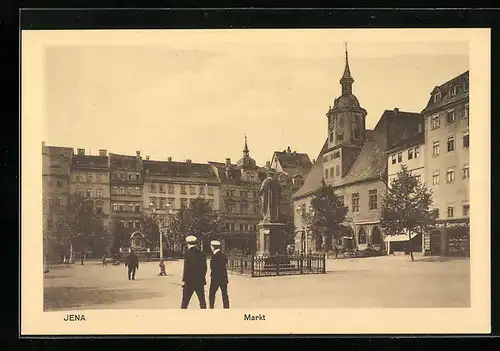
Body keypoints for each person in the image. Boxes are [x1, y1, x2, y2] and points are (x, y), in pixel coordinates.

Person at [180, 235, 207, 309]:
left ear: (187, 243)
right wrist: (201, 277)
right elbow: (205, 268)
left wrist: (183, 280)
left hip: (189, 282)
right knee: (202, 301)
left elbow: (186, 269)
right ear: (196, 243)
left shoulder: (187, 254)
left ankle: (181, 317)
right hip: (199, 281)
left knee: (185, 302)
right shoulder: (202, 254)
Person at [208, 240, 230, 309]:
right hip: (223, 278)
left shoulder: (214, 256)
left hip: (215, 279)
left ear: (213, 247)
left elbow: (212, 268)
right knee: (224, 294)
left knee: (212, 294)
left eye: (211, 246)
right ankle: (226, 308)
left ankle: (211, 308)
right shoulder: (223, 255)